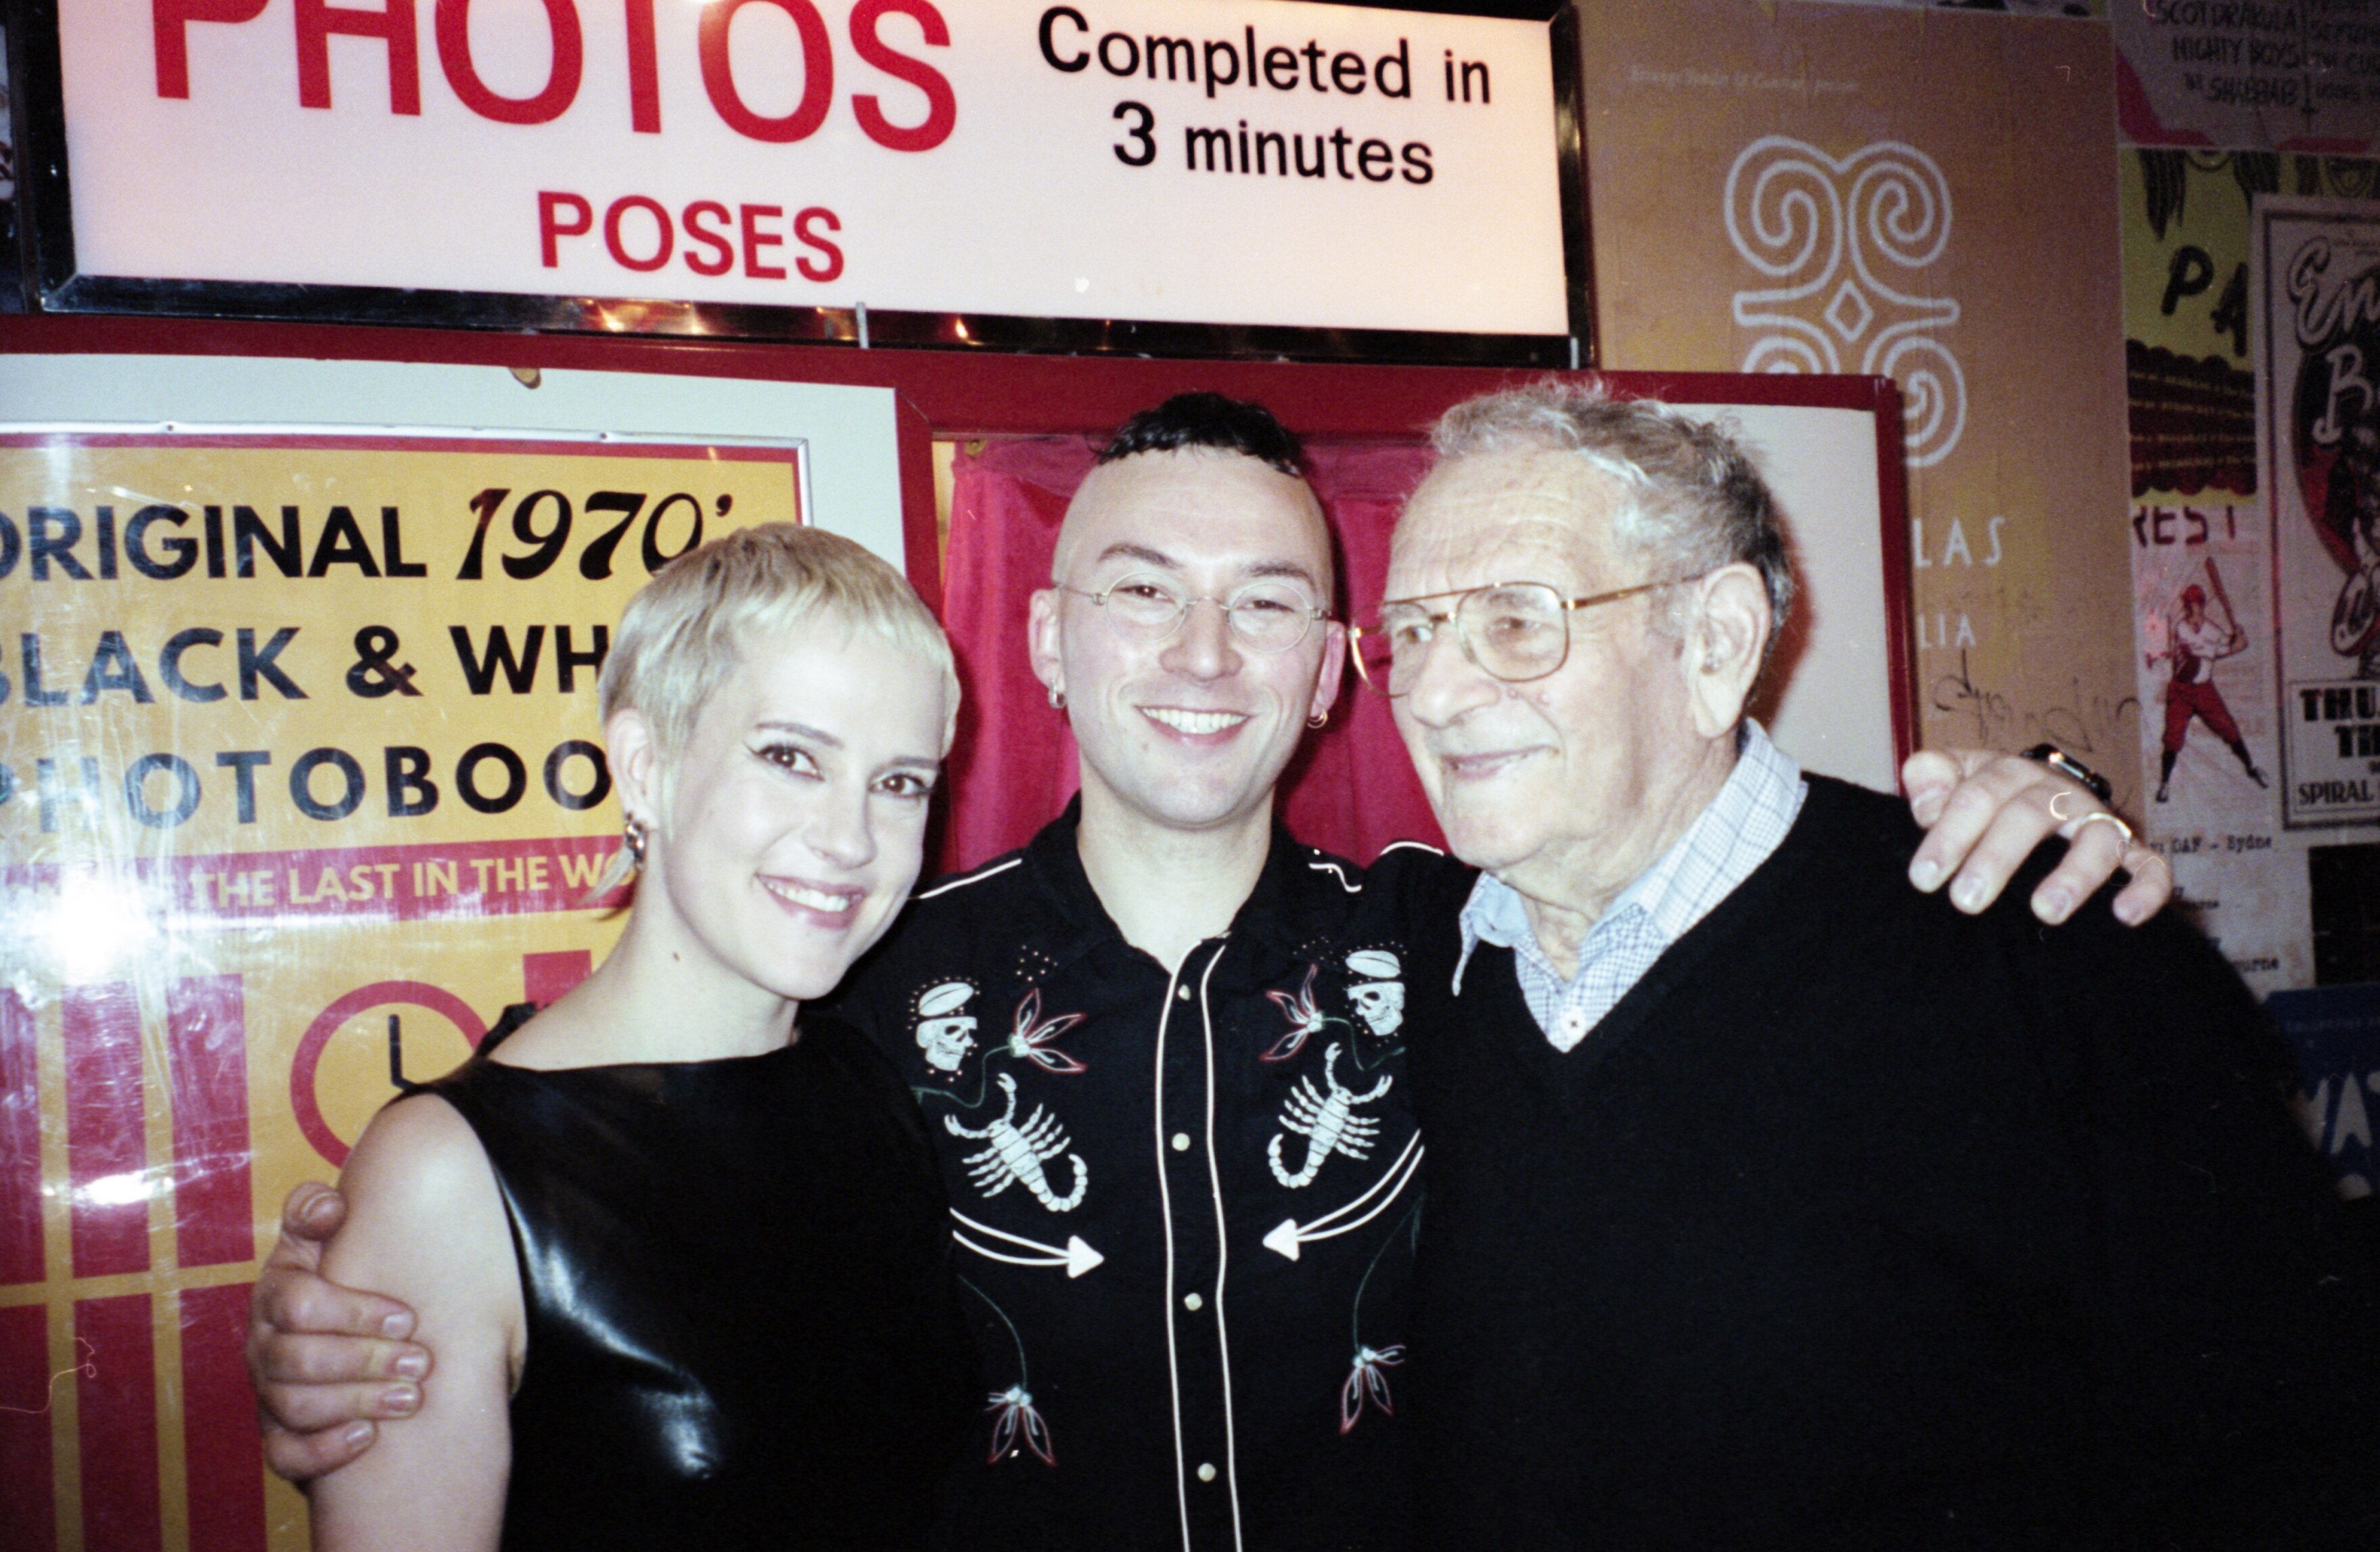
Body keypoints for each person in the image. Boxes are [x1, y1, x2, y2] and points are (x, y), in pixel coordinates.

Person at [248, 394, 2164, 1551]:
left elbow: (1700, 866)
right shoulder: (869, 986)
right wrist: (410, 1253)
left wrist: (2033, 803)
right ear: (1049, 640)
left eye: (1269, 602)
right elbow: (635, 1116)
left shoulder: (1463, 942)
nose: (1197, 651)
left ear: (1336, 670)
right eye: (1137, 590)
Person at [1369, 384, 2375, 1547]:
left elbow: (2296, 1442)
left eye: (1512, 620)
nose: (1434, 692)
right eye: (1413, 631)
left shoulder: (2039, 939)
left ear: (1714, 643)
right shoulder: (1407, 964)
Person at [307, 524, 976, 1552]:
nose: (850, 839)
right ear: (645, 764)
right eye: (790, 757)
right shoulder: (446, 1174)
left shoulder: (864, 1079)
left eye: (899, 782)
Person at [2147, 578, 2265, 800]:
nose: (2194, 607)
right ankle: (2164, 784)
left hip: (2204, 690)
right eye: (2190, 603)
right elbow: (2200, 651)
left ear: (2202, 604)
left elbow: (2234, 647)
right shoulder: (2181, 628)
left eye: (2197, 602)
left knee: (2229, 729)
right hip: (2181, 690)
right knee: (2173, 738)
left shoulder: (2213, 629)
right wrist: (2229, 644)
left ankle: (2251, 768)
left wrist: (2239, 640)